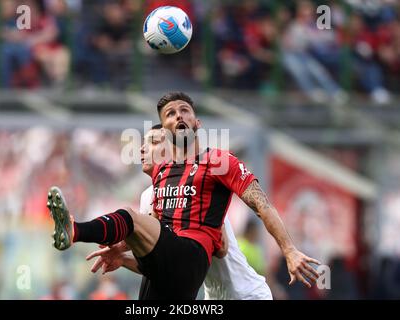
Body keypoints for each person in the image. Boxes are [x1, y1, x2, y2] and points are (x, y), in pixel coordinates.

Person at [47, 91, 320, 300]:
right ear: (165, 128)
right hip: (201, 289)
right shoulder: (160, 179)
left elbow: (259, 208)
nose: (178, 116)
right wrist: (124, 252)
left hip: (242, 293)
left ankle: (75, 230)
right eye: (170, 114)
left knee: (129, 218)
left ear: (197, 122)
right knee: (138, 241)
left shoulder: (218, 162)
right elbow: (158, 241)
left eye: (184, 111)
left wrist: (289, 250)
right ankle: (75, 231)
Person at [87, 124, 272, 300]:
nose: (142, 148)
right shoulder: (147, 198)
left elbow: (220, 246)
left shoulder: (194, 186)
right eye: (144, 142)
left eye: (154, 142)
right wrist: (123, 258)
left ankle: (78, 230)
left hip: (247, 294)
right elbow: (164, 266)